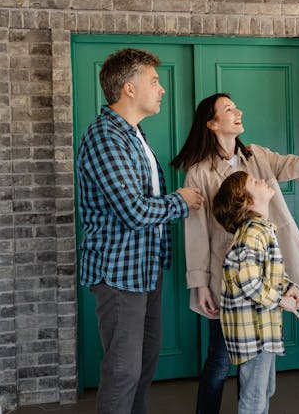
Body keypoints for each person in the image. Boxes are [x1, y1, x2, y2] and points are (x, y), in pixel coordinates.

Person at [171, 93, 299, 413]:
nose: (238, 111)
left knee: (261, 360)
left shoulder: (258, 157)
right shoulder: (199, 172)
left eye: (236, 106)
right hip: (228, 278)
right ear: (212, 124)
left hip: (267, 273)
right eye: (228, 109)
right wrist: (199, 282)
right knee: (220, 359)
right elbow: (195, 230)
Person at [76, 48, 204, 414]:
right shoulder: (106, 137)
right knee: (122, 371)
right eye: (154, 81)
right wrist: (180, 200)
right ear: (129, 88)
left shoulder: (134, 135)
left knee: (143, 367)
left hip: (144, 271)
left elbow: (140, 202)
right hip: (118, 274)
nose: (161, 89)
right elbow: (133, 211)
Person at [212, 171, 299, 414]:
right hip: (254, 334)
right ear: (247, 202)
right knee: (254, 397)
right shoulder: (252, 234)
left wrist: (289, 286)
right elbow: (249, 282)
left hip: (263, 330)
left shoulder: (260, 230)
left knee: (263, 391)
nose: (261, 180)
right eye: (254, 182)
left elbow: (267, 274)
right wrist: (282, 300)